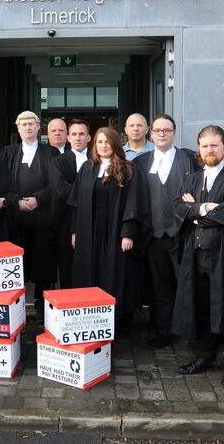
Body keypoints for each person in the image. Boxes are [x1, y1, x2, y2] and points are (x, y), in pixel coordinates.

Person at [173, 125, 224, 390]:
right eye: (205, 145)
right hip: (195, 254)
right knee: (201, 305)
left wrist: (193, 211)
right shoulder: (193, 178)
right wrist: (205, 207)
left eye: (214, 145)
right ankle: (206, 356)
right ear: (199, 148)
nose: (209, 150)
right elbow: (177, 208)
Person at [68, 127, 149, 319]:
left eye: (107, 141)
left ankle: (116, 317)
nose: (103, 146)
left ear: (115, 144)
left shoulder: (128, 169)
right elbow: (76, 202)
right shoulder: (87, 168)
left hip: (115, 229)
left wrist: (128, 232)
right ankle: (89, 314)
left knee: (113, 271)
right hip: (89, 228)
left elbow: (134, 202)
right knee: (90, 270)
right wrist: (75, 231)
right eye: (99, 142)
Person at [133, 114, 197, 350]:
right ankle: (164, 331)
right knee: (160, 287)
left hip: (183, 234)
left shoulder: (189, 159)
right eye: (157, 130)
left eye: (166, 130)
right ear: (151, 134)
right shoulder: (140, 162)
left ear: (174, 133)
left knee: (187, 285)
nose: (162, 134)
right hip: (154, 236)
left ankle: (192, 333)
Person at [0, 111, 60, 325]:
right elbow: (2, 183)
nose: (27, 128)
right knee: (16, 268)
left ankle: (42, 308)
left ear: (38, 127)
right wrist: (16, 201)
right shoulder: (8, 153)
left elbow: (56, 183)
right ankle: (16, 311)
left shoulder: (51, 152)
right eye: (23, 124)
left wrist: (38, 199)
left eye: (31, 124)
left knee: (43, 266)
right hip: (16, 221)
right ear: (18, 129)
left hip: (43, 220)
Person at [49, 119, 91, 289]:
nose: (77, 138)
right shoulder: (58, 161)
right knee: (67, 263)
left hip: (94, 217)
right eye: (74, 134)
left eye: (81, 134)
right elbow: (60, 188)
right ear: (68, 138)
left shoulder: (98, 158)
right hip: (65, 219)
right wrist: (87, 198)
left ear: (89, 137)